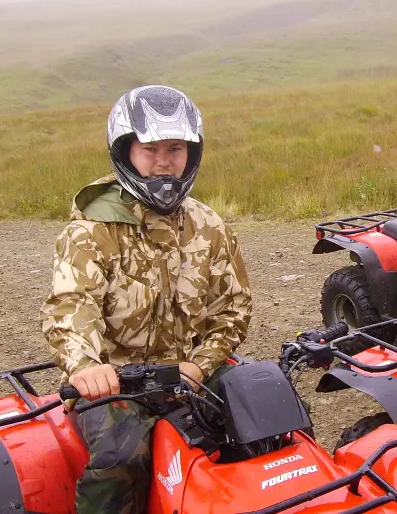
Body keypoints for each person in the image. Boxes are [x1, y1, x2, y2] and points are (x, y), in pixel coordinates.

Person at [40, 85, 252, 514]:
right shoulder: (90, 233)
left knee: (271, 413)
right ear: (125, 151)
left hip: (191, 373)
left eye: (176, 147)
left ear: (192, 152)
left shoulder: (209, 225)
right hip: (117, 383)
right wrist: (86, 366)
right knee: (121, 457)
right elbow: (71, 307)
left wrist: (201, 362)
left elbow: (233, 308)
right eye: (150, 147)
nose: (163, 160)